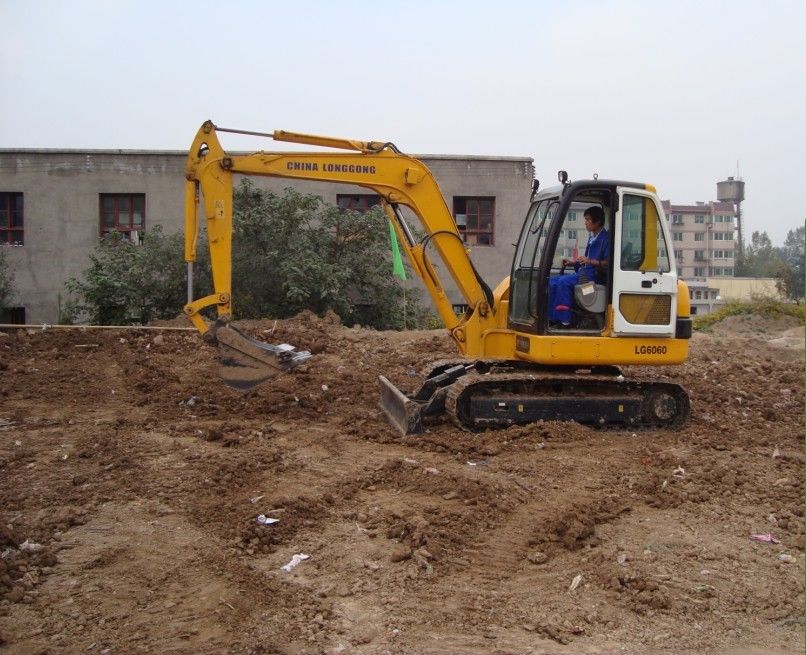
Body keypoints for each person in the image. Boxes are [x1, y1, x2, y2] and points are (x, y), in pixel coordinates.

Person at [548, 206, 609, 327]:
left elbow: (608, 263)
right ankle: (553, 318)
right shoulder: (592, 237)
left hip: (596, 276)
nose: (585, 222)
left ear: (597, 221)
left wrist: (589, 261)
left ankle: (565, 321)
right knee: (552, 281)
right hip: (586, 272)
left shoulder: (605, 239)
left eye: (588, 220)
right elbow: (585, 261)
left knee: (564, 282)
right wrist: (572, 263)